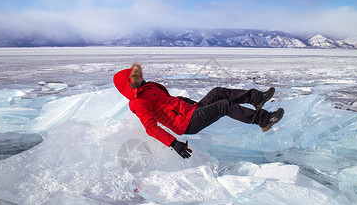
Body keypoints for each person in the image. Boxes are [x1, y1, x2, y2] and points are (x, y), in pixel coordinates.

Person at [113, 63, 284, 159]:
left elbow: (168, 102)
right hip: (187, 123)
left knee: (218, 92)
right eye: (136, 77)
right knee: (223, 105)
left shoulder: (147, 88)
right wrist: (174, 143)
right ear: (130, 83)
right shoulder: (138, 102)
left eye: (139, 75)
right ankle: (263, 120)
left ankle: (257, 98)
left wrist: (187, 102)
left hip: (190, 110)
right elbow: (151, 128)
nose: (141, 78)